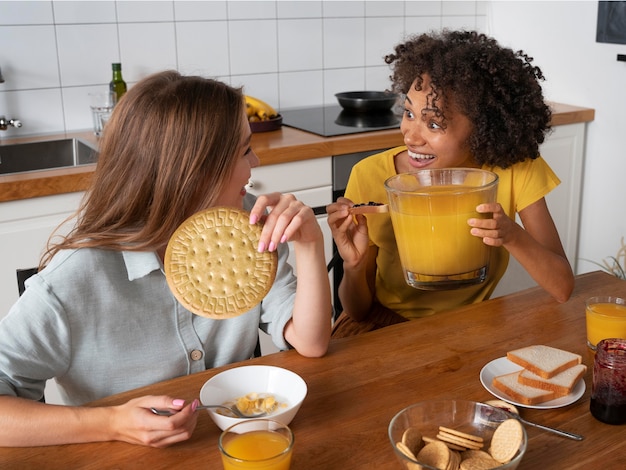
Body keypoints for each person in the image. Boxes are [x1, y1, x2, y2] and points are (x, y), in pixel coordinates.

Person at [0, 71, 331, 447]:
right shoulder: (72, 282)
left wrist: (309, 246)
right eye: (243, 150)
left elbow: (311, 341)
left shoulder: (252, 227)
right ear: (194, 171)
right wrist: (110, 424)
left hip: (235, 446)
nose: (255, 161)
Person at [327, 30, 574, 337]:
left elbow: (562, 287)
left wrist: (511, 233)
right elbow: (357, 311)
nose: (410, 135)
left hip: (468, 329)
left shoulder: (514, 170)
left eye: (434, 123)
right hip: (383, 328)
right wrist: (354, 265)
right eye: (408, 113)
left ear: (483, 127)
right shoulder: (371, 175)